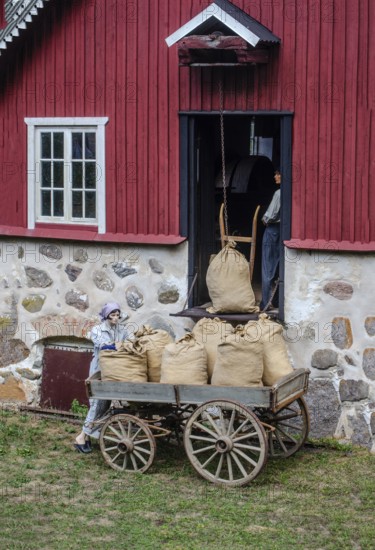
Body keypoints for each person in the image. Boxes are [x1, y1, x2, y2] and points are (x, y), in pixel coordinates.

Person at [74, 302, 130, 453]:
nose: (116, 318)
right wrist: (114, 345)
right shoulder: (97, 330)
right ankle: (81, 436)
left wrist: (124, 344)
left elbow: (130, 341)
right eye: (112, 315)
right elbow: (102, 345)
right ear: (106, 316)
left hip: (115, 370)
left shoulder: (122, 330)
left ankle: (86, 436)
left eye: (118, 315)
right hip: (99, 369)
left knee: (106, 403)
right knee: (96, 403)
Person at [260, 169, 281, 311]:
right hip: (282, 230)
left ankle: (266, 303)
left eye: (277, 173)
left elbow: (271, 215)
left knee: (267, 267)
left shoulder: (279, 193)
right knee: (279, 265)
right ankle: (277, 301)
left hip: (273, 230)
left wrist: (265, 219)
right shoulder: (289, 192)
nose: (275, 176)